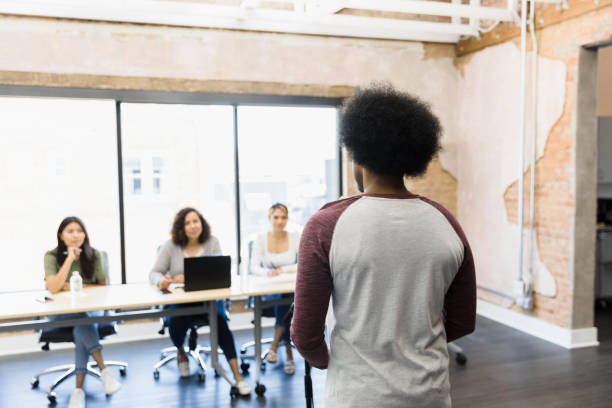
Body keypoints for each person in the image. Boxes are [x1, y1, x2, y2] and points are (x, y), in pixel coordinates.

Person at [291, 83, 476, 408]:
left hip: (356, 395)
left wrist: (332, 364)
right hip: (430, 393)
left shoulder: (326, 226)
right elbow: (462, 320)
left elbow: (305, 334)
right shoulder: (446, 222)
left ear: (356, 155)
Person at [149, 207, 250, 396]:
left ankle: (237, 376)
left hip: (208, 302)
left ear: (202, 223)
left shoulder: (212, 242)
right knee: (176, 322)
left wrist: (185, 277)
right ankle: (180, 351)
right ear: (181, 227)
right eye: (187, 223)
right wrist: (162, 281)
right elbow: (154, 272)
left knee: (222, 326)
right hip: (181, 302)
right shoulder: (170, 245)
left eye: (196, 221)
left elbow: (221, 272)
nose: (193, 226)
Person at [44, 217, 122, 408]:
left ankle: (78, 391)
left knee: (82, 321)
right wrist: (70, 259)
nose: (75, 235)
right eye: (70, 231)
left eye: (79, 230)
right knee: (83, 320)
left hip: (90, 311)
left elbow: (103, 288)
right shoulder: (51, 256)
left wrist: (69, 286)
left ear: (85, 234)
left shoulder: (96, 255)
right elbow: (53, 287)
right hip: (60, 314)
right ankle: (104, 371)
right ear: (61, 235)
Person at [250, 203, 300, 375]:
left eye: (283, 217)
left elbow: (302, 264)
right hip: (268, 291)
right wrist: (267, 272)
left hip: (289, 288)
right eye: (276, 217)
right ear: (269, 219)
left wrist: (284, 270)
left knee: (286, 299)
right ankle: (287, 350)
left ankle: (275, 345)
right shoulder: (261, 238)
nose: (280, 221)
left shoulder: (294, 236)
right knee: (285, 303)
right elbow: (253, 267)